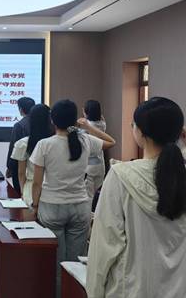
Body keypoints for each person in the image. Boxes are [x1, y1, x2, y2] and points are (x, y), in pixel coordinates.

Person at [86, 97, 186, 298]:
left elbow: (105, 243)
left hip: (134, 288)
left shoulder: (120, 176)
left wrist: (94, 292)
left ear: (141, 132)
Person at [30, 100, 115, 294]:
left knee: (57, 261)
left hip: (52, 207)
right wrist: (87, 127)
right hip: (80, 207)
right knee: (77, 262)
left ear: (52, 120)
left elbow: (36, 183)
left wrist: (35, 206)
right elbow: (111, 142)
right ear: (74, 120)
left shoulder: (45, 145)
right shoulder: (85, 140)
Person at [10, 104, 54, 206]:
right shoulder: (54, 143)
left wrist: (22, 191)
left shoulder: (23, 143)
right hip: (52, 189)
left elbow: (21, 173)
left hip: (30, 189)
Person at [7, 97, 36, 194]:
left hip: (21, 167)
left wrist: (10, 167)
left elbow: (13, 147)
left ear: (21, 110)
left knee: (20, 194)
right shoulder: (42, 124)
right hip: (37, 166)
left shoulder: (19, 125)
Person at [83, 100, 107, 200]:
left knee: (88, 196)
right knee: (98, 195)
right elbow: (101, 117)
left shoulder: (87, 126)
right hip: (100, 164)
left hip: (89, 165)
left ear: (86, 112)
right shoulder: (103, 124)